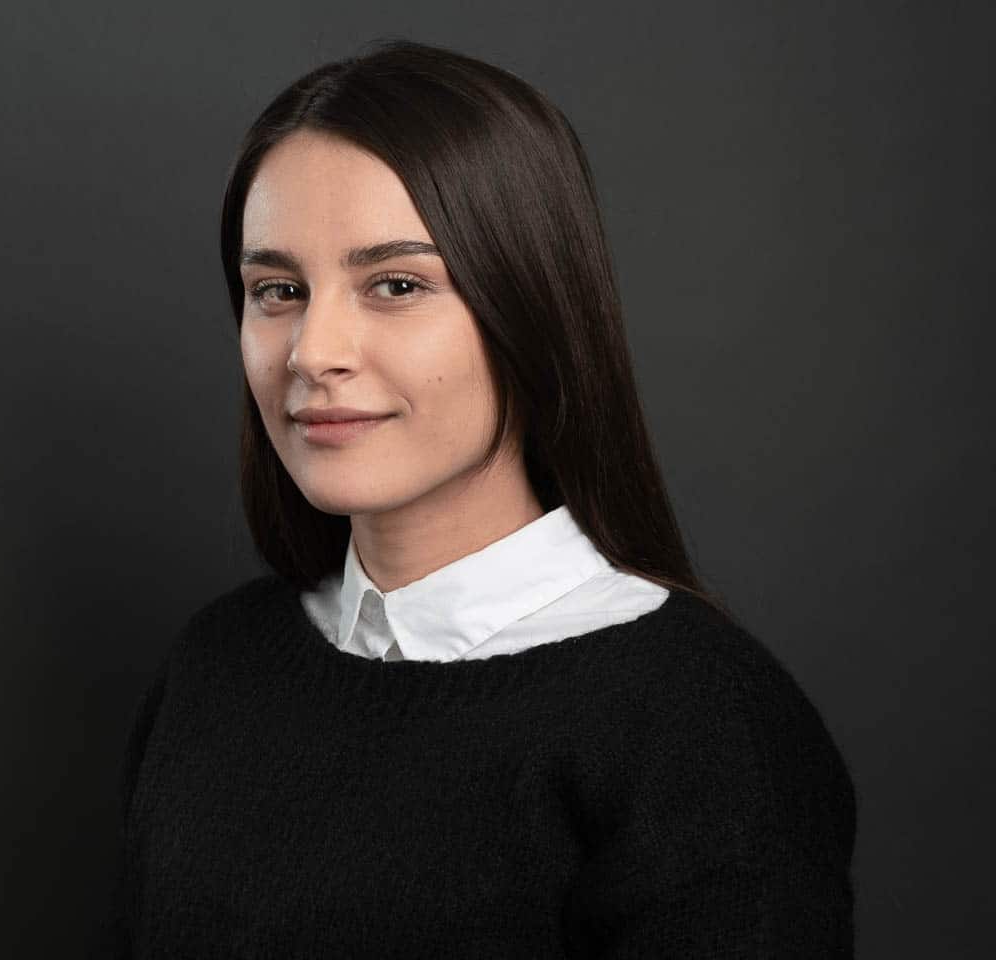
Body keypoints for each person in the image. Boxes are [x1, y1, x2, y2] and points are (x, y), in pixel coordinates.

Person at [95, 37, 856, 958]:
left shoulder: (699, 728)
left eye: (398, 284)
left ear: (528, 310)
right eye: (279, 289)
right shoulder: (218, 664)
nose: (312, 351)